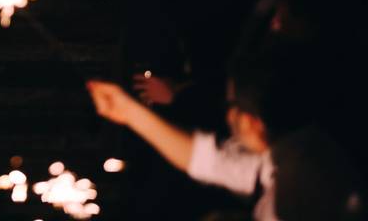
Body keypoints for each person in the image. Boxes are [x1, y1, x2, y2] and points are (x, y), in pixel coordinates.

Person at [86, 49, 366, 220]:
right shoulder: (292, 153)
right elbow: (212, 161)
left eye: (231, 104)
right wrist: (129, 111)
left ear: (250, 121)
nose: (227, 114)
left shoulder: (304, 184)